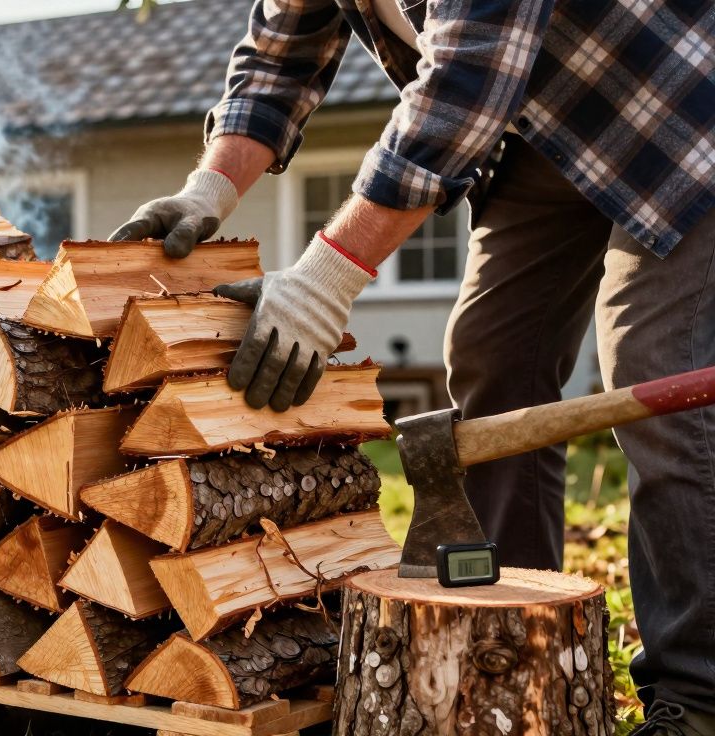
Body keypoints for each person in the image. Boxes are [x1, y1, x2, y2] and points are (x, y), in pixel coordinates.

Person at [112, 0, 715, 732]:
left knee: (649, 357)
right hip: (546, 130)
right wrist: (209, 187)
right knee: (494, 356)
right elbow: (280, 55)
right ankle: (514, 636)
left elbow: (465, 81)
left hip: (679, 105)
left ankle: (696, 694)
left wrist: (327, 277)